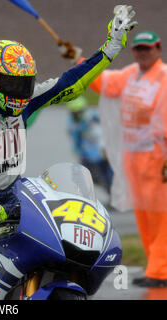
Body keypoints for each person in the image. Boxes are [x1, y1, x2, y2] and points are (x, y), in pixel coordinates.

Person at [0, 5, 137, 300]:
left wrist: (109, 48)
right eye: (11, 84)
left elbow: (71, 83)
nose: (21, 92)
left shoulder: (23, 102)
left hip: (16, 196)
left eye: (25, 84)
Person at [65, 30, 167, 288]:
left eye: (148, 48)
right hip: (135, 158)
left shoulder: (164, 78)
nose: (143, 53)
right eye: (138, 49)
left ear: (158, 49)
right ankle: (155, 266)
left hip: (159, 158)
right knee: (144, 215)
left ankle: (161, 271)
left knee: (161, 216)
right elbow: (102, 82)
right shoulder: (130, 75)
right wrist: (79, 61)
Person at [65, 96, 113, 194]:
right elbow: (75, 140)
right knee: (84, 177)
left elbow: (103, 132)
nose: (77, 115)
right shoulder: (71, 123)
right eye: (74, 113)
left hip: (101, 153)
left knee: (108, 175)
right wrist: (79, 153)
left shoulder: (92, 117)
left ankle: (113, 197)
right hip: (86, 154)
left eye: (79, 112)